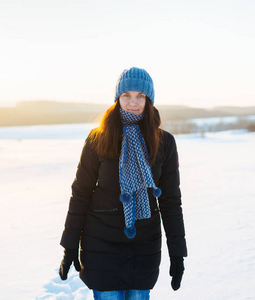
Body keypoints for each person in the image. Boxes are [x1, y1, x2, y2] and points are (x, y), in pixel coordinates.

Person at [58, 67, 187, 300]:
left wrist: (177, 253)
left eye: (140, 96)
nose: (133, 102)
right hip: (101, 244)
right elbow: (81, 193)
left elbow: (170, 200)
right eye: (127, 95)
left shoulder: (164, 142)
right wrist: (69, 246)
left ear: (149, 100)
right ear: (117, 98)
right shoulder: (98, 137)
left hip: (145, 246)